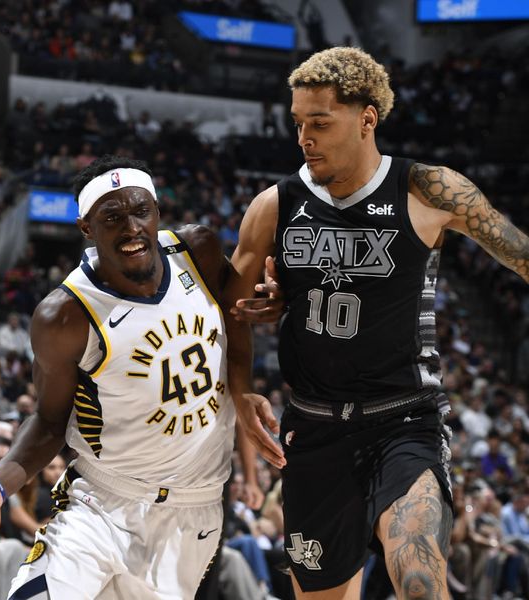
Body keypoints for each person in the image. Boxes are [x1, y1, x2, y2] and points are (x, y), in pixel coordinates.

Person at [227, 46, 529, 598]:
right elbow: (228, 313)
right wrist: (241, 389)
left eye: (319, 122)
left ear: (367, 119)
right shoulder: (274, 205)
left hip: (404, 418)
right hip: (314, 427)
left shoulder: (428, 189)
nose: (304, 138)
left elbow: (522, 254)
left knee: (418, 576)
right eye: (298, 123)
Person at [0, 155, 277, 599]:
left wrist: (245, 387)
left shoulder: (196, 250)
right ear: (87, 227)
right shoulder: (64, 315)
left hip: (195, 512)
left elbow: (236, 327)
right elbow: (48, 423)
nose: (132, 228)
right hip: (102, 504)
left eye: (141, 211)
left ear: (157, 211)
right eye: (113, 218)